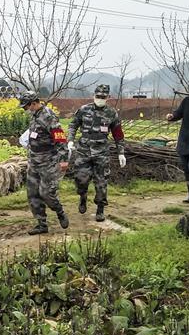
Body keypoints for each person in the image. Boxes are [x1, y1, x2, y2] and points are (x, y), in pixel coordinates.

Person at [67, 84, 126, 222]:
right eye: (98, 96)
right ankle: (83, 197)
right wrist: (70, 140)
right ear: (94, 96)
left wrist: (121, 152)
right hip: (83, 151)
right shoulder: (83, 110)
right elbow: (73, 125)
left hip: (101, 153)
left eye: (103, 97)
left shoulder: (111, 113)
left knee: (101, 182)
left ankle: (100, 209)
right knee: (80, 180)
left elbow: (118, 134)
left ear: (108, 98)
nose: (100, 99)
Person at [18, 90, 69, 235]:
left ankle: (60, 212)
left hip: (48, 162)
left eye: (27, 106)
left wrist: (63, 159)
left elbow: (60, 138)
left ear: (34, 103)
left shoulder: (48, 116)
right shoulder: (35, 116)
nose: (26, 109)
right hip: (34, 161)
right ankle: (41, 224)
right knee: (33, 193)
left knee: (46, 193)